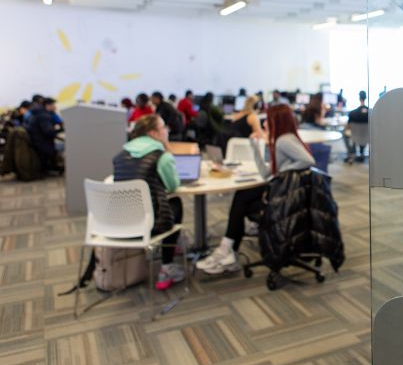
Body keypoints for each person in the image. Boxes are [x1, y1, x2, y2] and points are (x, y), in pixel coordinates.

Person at [197, 104, 315, 274]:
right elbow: (265, 173)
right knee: (242, 199)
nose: (265, 123)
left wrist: (282, 174)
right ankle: (228, 250)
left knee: (241, 200)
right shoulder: (281, 140)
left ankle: (227, 249)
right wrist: (254, 146)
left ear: (277, 121)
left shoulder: (284, 140)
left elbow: (308, 160)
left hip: (285, 200)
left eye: (268, 119)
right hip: (283, 193)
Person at [112, 115, 185, 290]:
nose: (167, 130)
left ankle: (173, 248)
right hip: (149, 225)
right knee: (175, 203)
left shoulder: (120, 155)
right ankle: (166, 268)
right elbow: (173, 185)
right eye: (163, 127)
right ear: (153, 133)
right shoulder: (162, 156)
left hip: (120, 222)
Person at [25, 97, 62, 172]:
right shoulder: (44, 116)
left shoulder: (39, 113)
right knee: (62, 146)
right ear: (47, 105)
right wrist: (59, 130)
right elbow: (49, 132)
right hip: (42, 143)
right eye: (53, 105)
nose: (55, 107)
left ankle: (52, 166)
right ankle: (52, 167)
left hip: (36, 141)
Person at [344, 90, 369, 163]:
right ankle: (361, 152)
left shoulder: (352, 113)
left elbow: (347, 127)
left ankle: (352, 152)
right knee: (362, 134)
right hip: (368, 136)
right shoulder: (371, 112)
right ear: (366, 98)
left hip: (355, 135)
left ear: (359, 98)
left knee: (344, 133)